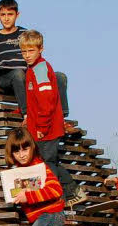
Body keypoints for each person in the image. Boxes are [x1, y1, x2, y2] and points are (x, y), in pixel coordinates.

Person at [0, 0, 80, 136]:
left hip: (28, 76)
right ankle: (27, 116)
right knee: (18, 74)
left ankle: (62, 119)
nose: (6, 18)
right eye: (3, 15)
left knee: (59, 77)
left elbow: (34, 55)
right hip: (4, 76)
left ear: (17, 15)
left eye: (10, 14)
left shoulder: (24, 34)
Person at [19, 30, 87, 207]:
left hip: (47, 129)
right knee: (49, 163)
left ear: (40, 49)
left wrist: (41, 126)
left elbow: (47, 100)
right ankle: (73, 191)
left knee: (47, 166)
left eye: (31, 51)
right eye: (24, 52)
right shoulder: (33, 69)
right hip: (41, 127)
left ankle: (57, 199)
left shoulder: (40, 69)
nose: (27, 55)